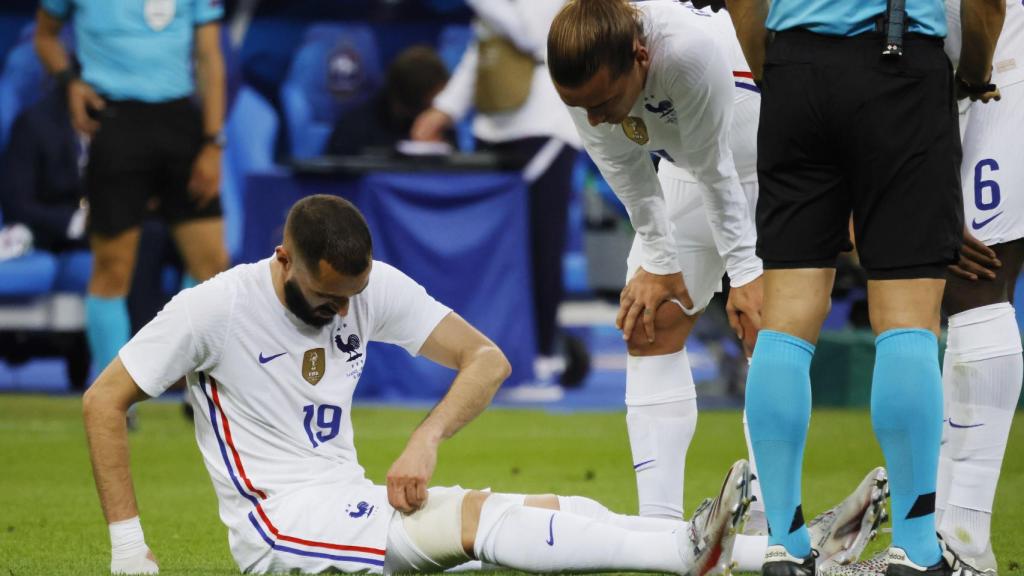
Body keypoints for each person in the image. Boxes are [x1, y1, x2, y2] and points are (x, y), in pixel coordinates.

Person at [82, 194, 756, 575]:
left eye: (353, 296)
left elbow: (486, 359)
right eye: (324, 297)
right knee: (477, 524)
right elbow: (103, 400)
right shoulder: (215, 309)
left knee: (561, 511)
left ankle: (751, 556)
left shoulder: (362, 290)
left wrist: (427, 436)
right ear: (283, 260)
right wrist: (126, 551)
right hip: (278, 527)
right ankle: (681, 551)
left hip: (349, 498)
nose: (342, 312)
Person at [546, 1, 886, 573]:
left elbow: (718, 171)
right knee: (647, 323)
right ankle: (658, 531)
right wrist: (657, 259)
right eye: (582, 108)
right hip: (686, 173)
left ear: (641, 56)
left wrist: (746, 277)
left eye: (605, 102)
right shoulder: (585, 78)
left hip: (780, 169)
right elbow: (627, 172)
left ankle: (775, 525)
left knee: (769, 336)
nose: (598, 118)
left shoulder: (687, 51)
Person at [723, 0, 1006, 572]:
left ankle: (785, 543)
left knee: (787, 316)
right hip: (898, 65)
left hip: (795, 71)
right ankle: (917, 548)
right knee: (907, 318)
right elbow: (985, 4)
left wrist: (778, 68)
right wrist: (974, 74)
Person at [33, 0, 230, 382]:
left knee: (212, 264)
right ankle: (114, 396)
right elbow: (45, 36)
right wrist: (70, 81)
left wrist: (213, 142)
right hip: (114, 120)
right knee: (112, 267)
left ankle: (200, 387)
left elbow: (209, 56)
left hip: (180, 122)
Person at [411, 0, 584, 393]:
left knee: (541, 250)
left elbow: (531, 34)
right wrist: (444, 111)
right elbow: (483, 51)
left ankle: (542, 363)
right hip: (494, 130)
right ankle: (493, 356)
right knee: (499, 256)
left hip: (543, 127)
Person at [936, 0, 1022, 572]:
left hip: (995, 75)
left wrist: (971, 82)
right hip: (968, 76)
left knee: (975, 282)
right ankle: (945, 529)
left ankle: (965, 537)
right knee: (957, 289)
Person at [325, 45, 452, 156]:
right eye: (431, 102)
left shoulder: (440, 127)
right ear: (403, 105)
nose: (435, 110)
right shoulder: (352, 132)